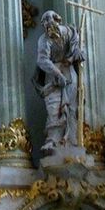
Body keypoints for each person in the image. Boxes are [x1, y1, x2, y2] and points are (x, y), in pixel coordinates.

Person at [35, 10, 83, 154]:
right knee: (53, 106)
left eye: (51, 24)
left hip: (69, 73)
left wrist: (76, 54)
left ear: (58, 21)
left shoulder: (70, 32)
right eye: (46, 26)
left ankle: (71, 140)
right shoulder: (44, 40)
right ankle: (53, 140)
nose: (49, 28)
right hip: (53, 74)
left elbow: (76, 49)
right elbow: (42, 60)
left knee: (71, 107)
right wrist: (57, 73)